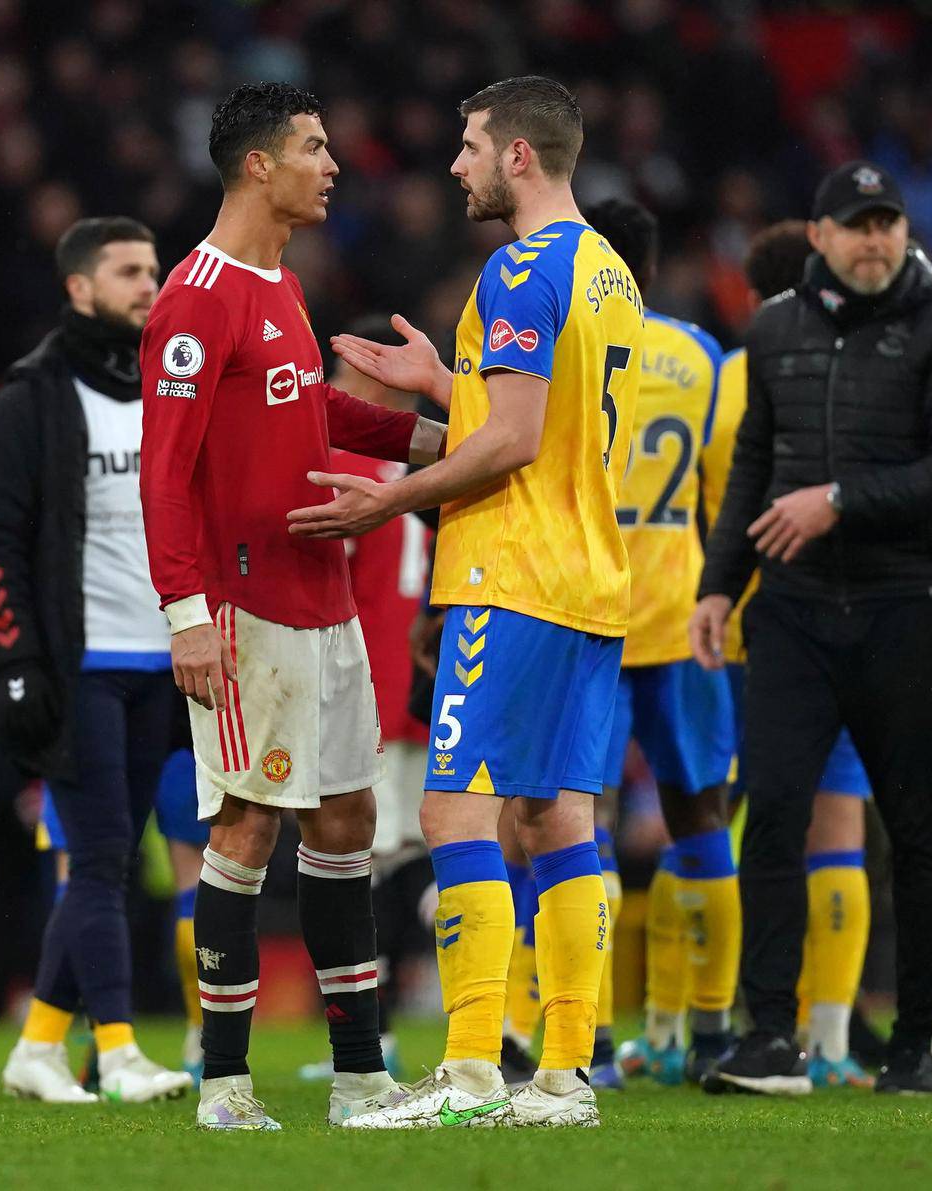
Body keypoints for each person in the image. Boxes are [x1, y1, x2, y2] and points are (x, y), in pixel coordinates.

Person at [288, 75, 644, 1128]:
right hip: (590, 575)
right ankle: (567, 1075)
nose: (457, 165)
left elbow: (515, 444)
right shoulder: (609, 271)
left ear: (519, 157)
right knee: (558, 815)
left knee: (453, 809)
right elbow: (551, 419)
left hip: (512, 571)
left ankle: (473, 1066)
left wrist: (387, 500)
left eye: (470, 146)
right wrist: (448, 384)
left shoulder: (520, 268)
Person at [139, 82, 446, 1131]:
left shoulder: (278, 285)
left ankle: (360, 1075)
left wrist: (425, 441)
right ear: (259, 165)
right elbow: (164, 470)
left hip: (326, 602)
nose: (333, 164)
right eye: (314, 148)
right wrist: (184, 611)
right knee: (251, 822)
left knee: (349, 816)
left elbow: (307, 406)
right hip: (244, 606)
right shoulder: (199, 294)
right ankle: (223, 1084)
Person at [690, 161, 932, 1096]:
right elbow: (752, 468)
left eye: (887, 224)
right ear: (819, 237)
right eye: (856, 225)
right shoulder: (776, 328)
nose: (874, 240)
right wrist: (719, 587)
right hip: (792, 611)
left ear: (905, 232)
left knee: (917, 832)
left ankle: (916, 1045)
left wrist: (837, 501)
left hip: (911, 606)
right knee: (774, 816)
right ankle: (773, 1039)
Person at [0, 216, 194, 1105]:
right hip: (80, 664)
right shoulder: (34, 397)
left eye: (155, 269)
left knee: (113, 856)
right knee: (100, 859)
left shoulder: (169, 387)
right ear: (78, 288)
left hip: (162, 661)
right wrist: (12, 658)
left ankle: (38, 1046)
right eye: (129, 271)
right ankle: (124, 1048)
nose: (150, 284)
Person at [573, 197, 737, 1092]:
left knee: (578, 825)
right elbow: (724, 491)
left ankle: (590, 1043)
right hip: (683, 614)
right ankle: (709, 1032)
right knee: (700, 814)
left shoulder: (574, 340)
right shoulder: (699, 355)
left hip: (591, 610)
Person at [0, 589, 209, 1088]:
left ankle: (90, 1038)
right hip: (172, 667)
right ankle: (202, 1040)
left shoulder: (57, 511)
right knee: (190, 872)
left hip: (89, 673)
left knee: (84, 868)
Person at [295, 314, 433, 1085]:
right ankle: (482, 1006)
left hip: (366, 687)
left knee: (357, 865)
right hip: (430, 680)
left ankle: (367, 1039)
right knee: (421, 856)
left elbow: (317, 566)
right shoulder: (431, 458)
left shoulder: (339, 455)